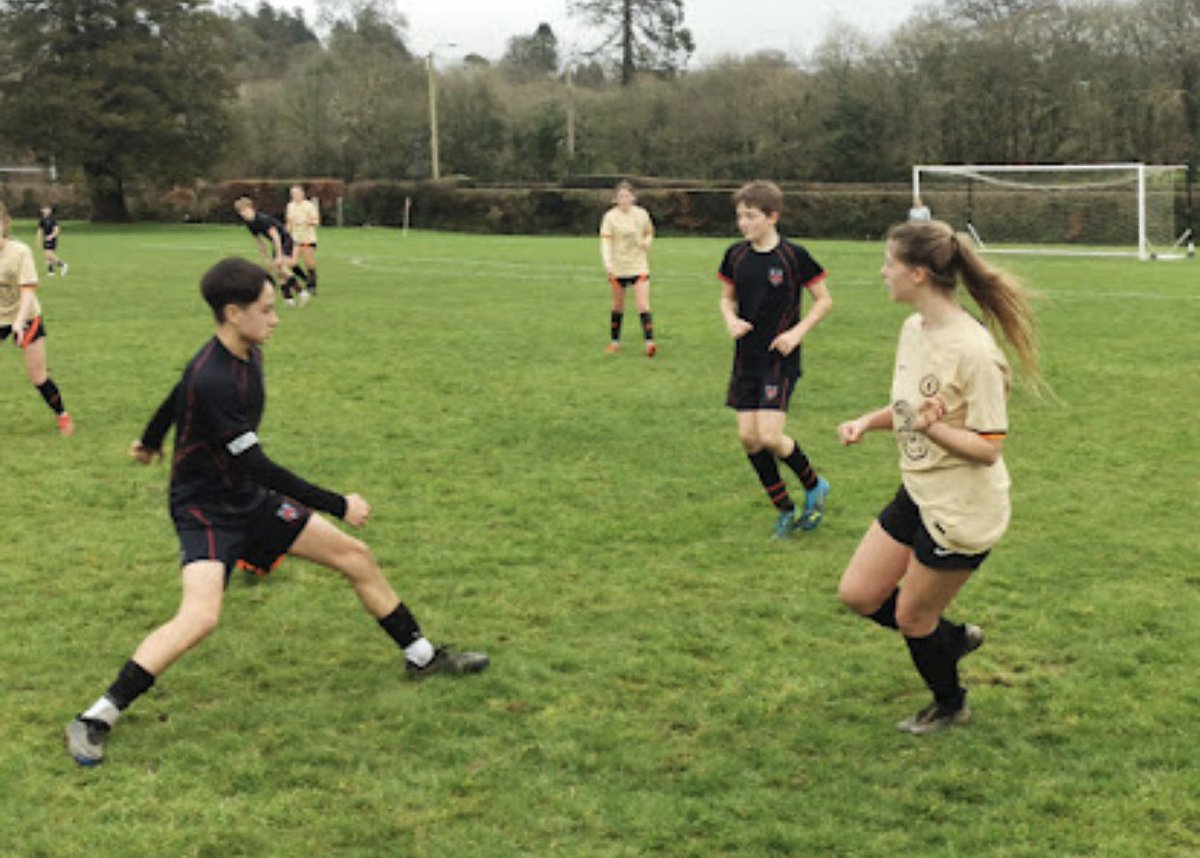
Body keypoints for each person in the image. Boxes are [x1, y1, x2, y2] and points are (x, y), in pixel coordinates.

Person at [65, 257, 489, 767]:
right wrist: (340, 504)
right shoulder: (215, 378)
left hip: (248, 497)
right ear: (232, 313)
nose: (276, 318)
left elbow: (178, 395)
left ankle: (421, 658)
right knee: (200, 617)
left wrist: (150, 439)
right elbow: (261, 464)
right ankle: (95, 717)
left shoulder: (245, 351)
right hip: (208, 510)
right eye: (266, 310)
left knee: (357, 558)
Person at [835, 219, 1041, 735]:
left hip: (963, 510)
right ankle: (951, 640)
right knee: (859, 594)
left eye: (890, 264)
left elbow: (989, 448)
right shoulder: (914, 329)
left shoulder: (974, 351)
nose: (883, 272)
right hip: (920, 488)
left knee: (911, 617)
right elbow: (910, 406)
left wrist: (936, 431)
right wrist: (869, 420)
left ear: (920, 274)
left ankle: (950, 704)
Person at [718, 181, 833, 540]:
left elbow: (824, 300)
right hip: (745, 358)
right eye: (740, 216)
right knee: (749, 439)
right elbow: (726, 299)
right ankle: (785, 509)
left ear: (772, 217)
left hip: (780, 358)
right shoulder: (735, 255)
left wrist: (797, 333)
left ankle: (815, 485)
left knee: (769, 435)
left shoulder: (794, 256)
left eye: (751, 216)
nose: (743, 223)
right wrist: (732, 321)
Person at [0, 202, 74, 435]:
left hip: (26, 315)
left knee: (38, 375)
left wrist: (19, 321)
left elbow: (28, 291)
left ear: (3, 223)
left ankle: (62, 415)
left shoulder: (19, 252)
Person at [599, 180, 657, 357]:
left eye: (627, 196)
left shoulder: (641, 214)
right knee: (618, 306)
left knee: (642, 305)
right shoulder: (610, 217)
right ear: (615, 199)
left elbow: (649, 232)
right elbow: (605, 242)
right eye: (620, 196)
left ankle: (650, 343)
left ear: (633, 197)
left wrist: (647, 243)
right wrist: (608, 263)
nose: (624, 199)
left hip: (638, 266)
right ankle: (615, 343)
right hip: (618, 268)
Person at [233, 197, 310, 307]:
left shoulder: (262, 219)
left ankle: (302, 293)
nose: (244, 214)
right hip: (276, 243)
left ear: (251, 208)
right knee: (279, 272)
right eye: (241, 212)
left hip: (285, 241)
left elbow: (276, 236)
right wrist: (264, 257)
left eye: (245, 210)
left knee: (281, 267)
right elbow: (259, 241)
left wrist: (278, 255)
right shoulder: (249, 223)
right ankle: (289, 299)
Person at [285, 185, 320, 298]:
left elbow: (316, 221)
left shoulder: (309, 206)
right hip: (295, 239)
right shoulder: (290, 206)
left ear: (302, 194)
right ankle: (306, 279)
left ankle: (312, 286)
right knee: (292, 263)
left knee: (309, 263)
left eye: (297, 193)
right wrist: (285, 234)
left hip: (308, 239)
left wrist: (307, 222)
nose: (295, 196)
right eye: (293, 194)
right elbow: (289, 222)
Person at [36, 204, 68, 276]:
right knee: (46, 256)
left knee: (49, 254)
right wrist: (39, 240)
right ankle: (51, 271)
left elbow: (57, 229)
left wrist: (51, 236)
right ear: (41, 210)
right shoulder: (41, 219)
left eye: (48, 209)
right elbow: (40, 230)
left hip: (51, 239)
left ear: (50, 210)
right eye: (44, 209)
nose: (46, 210)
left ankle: (63, 265)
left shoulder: (53, 219)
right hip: (45, 238)